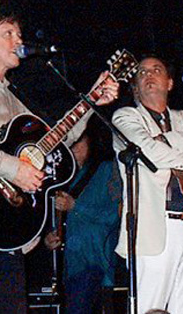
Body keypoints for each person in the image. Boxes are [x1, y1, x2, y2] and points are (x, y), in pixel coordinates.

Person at [0, 7, 119, 313]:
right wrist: (13, 168)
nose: (19, 39)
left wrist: (91, 101)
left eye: (19, 33)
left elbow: (57, 142)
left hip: (8, 236)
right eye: (8, 33)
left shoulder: (15, 100)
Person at [111, 56, 183, 314]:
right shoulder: (125, 117)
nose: (149, 75)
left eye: (156, 70)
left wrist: (166, 138)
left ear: (170, 83)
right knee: (149, 307)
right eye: (142, 72)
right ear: (135, 87)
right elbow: (149, 153)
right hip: (157, 227)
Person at [43, 129, 122, 314]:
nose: (72, 150)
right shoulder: (61, 178)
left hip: (95, 262)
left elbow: (114, 216)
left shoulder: (107, 169)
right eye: (68, 145)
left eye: (78, 143)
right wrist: (48, 237)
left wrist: (75, 206)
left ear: (91, 143)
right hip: (69, 267)